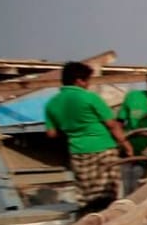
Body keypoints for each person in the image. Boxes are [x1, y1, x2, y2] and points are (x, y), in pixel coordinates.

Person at [44, 61, 129, 211]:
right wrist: (127, 145)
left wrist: (70, 128)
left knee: (87, 195)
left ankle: (89, 223)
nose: (89, 85)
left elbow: (51, 134)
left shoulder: (51, 104)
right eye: (87, 81)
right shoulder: (89, 98)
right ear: (79, 81)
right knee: (107, 194)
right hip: (103, 148)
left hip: (77, 152)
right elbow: (112, 124)